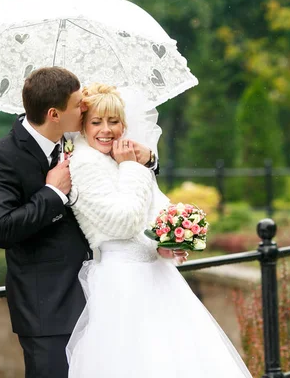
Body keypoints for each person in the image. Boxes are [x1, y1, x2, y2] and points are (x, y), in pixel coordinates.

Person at [0, 67, 173, 378]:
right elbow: (2, 229)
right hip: (48, 304)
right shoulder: (2, 157)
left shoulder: (74, 137)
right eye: (78, 103)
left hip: (100, 294)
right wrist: (53, 192)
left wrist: (149, 159)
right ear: (54, 113)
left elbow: (115, 171)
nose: (84, 106)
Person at [66, 83, 252, 378]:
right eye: (96, 122)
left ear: (123, 124)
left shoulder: (120, 157)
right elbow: (123, 221)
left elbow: (150, 212)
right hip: (121, 280)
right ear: (83, 127)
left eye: (113, 121)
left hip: (158, 276)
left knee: (177, 359)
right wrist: (133, 168)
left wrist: (162, 244)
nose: (106, 130)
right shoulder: (83, 163)